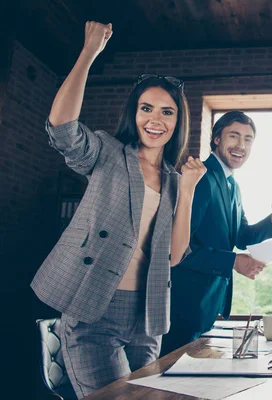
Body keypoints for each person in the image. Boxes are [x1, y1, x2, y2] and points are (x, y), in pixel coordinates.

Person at [29, 21, 206, 399]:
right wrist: (89, 52)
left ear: (178, 121)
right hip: (94, 307)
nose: (155, 120)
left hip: (148, 315)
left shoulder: (175, 180)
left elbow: (175, 255)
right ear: (134, 112)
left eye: (167, 112)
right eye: (146, 109)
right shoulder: (108, 153)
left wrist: (188, 191)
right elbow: (61, 127)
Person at [160, 111, 272, 356]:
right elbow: (178, 248)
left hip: (206, 305)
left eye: (248, 139)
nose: (241, 145)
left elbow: (240, 236)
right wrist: (233, 261)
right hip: (182, 305)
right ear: (217, 139)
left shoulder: (232, 184)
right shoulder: (201, 178)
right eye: (234, 136)